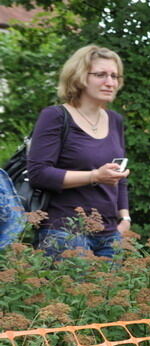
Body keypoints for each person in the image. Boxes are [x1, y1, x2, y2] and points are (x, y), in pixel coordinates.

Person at [27, 45, 131, 258]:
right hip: (64, 231)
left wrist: (125, 218)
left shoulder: (114, 120)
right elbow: (39, 173)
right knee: (72, 292)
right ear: (79, 77)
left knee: (110, 293)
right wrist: (94, 176)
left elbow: (119, 175)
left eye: (114, 76)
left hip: (110, 234)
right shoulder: (55, 116)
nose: (110, 82)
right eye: (101, 75)